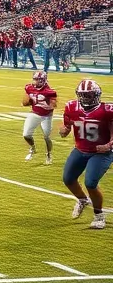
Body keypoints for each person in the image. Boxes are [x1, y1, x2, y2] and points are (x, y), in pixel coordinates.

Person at [59, 79, 112, 230]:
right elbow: (66, 126)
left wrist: (108, 145)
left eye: (89, 95)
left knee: (90, 183)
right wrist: (64, 130)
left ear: (96, 95)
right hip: (81, 149)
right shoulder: (71, 107)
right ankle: (82, 200)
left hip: (101, 153)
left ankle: (99, 215)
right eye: (83, 95)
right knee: (68, 179)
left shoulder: (107, 110)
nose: (85, 98)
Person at [22, 70, 56, 164]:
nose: (36, 81)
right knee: (26, 134)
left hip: (46, 116)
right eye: (35, 79)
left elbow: (53, 105)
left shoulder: (49, 92)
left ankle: (49, 154)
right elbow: (24, 102)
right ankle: (32, 149)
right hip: (34, 113)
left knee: (46, 136)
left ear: (43, 80)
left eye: (38, 79)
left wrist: (49, 102)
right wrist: (28, 101)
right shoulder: (29, 88)